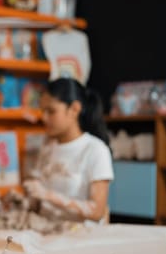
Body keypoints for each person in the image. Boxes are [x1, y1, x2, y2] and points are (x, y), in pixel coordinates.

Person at [23, 77, 113, 224]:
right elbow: (38, 204)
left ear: (74, 109)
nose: (44, 118)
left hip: (80, 240)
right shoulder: (47, 148)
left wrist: (49, 195)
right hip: (47, 235)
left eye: (51, 111)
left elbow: (97, 211)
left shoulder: (95, 150)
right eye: (42, 111)